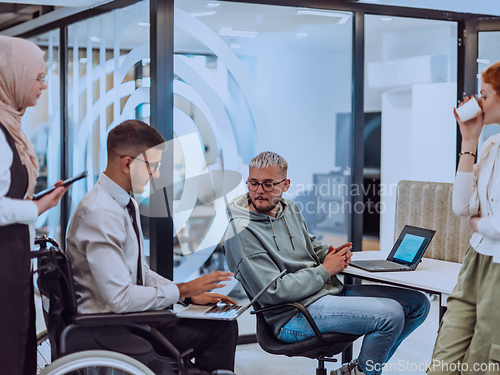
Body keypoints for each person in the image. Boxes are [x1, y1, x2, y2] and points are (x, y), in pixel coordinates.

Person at [223, 151, 430, 375]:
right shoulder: (240, 232)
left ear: (286, 184)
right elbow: (274, 291)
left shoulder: (289, 208)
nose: (259, 191)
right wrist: (325, 270)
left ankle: (358, 369)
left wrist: (331, 254)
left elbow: (309, 245)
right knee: (390, 315)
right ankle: (362, 372)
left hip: (326, 292)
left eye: (268, 184)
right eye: (253, 183)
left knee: (418, 304)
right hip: (293, 315)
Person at [66, 119, 238, 373]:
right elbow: (120, 299)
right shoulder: (100, 213)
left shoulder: (125, 204)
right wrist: (181, 290)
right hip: (111, 328)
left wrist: (187, 295)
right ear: (127, 164)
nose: (156, 175)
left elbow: (141, 272)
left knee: (222, 325)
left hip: (133, 320)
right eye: (152, 166)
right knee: (212, 341)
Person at [0, 36, 71, 375]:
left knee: (17, 343)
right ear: (12, 75)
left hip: (12, 261)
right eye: (38, 76)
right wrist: (39, 207)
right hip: (3, 263)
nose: (43, 85)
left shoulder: (11, 126)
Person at [428, 62, 500, 375]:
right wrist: (469, 140)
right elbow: (462, 206)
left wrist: (478, 224)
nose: (478, 103)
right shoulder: (491, 145)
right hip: (476, 261)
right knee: (442, 365)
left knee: (481, 366)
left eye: (484, 95)